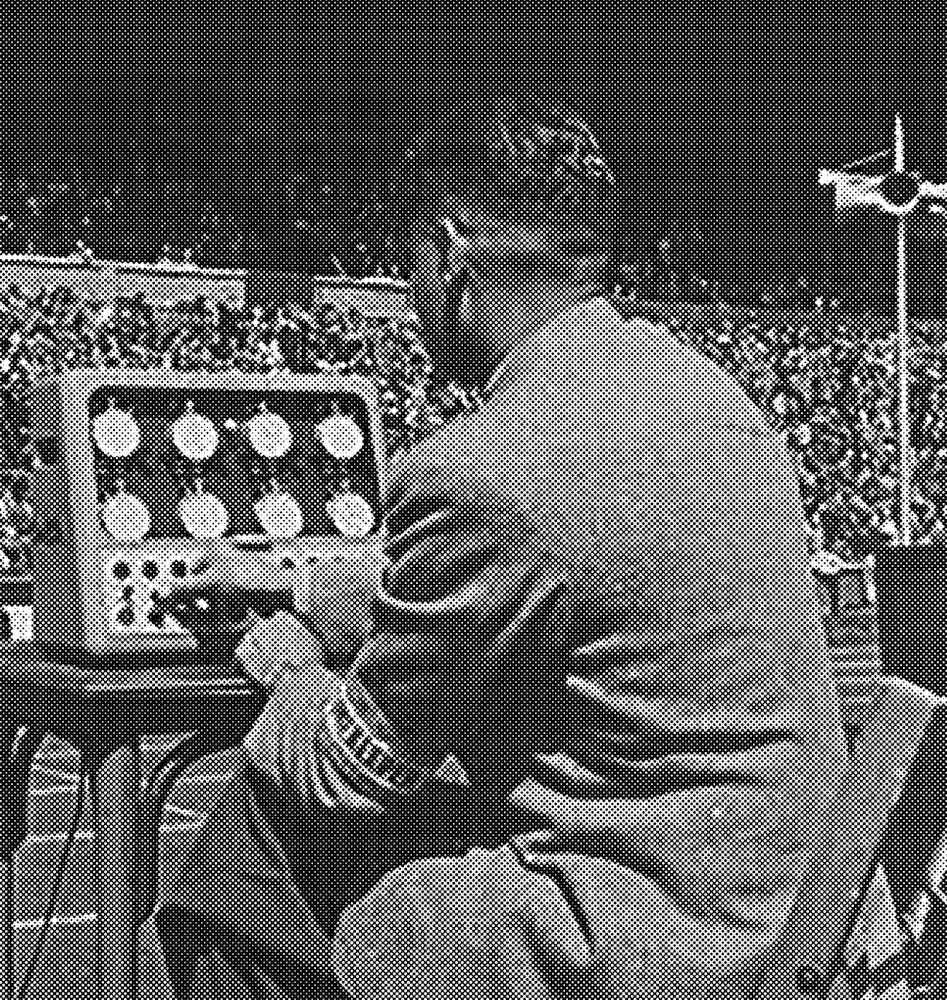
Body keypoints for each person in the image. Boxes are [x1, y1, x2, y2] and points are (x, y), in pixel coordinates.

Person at [145, 95, 848, 1000]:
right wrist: (297, 582)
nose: (410, 297)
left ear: (447, 257)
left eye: (410, 269)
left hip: (642, 943)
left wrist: (288, 671)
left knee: (248, 842)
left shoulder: (482, 469)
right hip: (790, 908)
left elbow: (350, 770)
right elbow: (551, 570)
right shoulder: (711, 398)